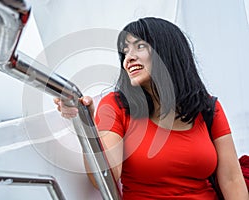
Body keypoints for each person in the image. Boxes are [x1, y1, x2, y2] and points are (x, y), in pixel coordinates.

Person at [54, 17, 249, 199]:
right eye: (124, 51)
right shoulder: (116, 106)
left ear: (167, 50)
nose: (128, 58)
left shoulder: (208, 107)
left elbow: (232, 179)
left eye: (139, 46)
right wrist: (85, 123)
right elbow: (104, 177)